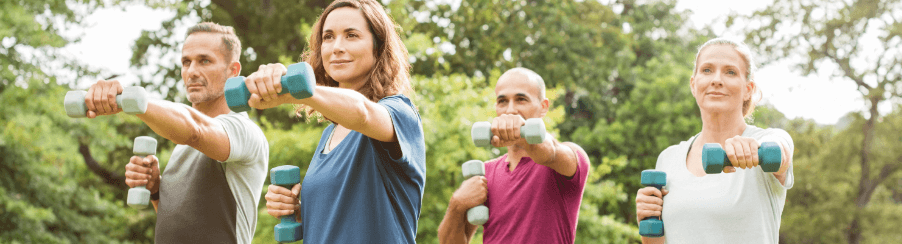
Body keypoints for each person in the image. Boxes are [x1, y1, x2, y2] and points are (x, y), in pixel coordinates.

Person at [249, 0, 426, 243]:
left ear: (378, 47)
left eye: (351, 35)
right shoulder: (329, 135)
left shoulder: (399, 113)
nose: (336, 47)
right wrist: (300, 210)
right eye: (328, 37)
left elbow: (362, 112)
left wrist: (295, 91)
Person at [84, 22, 269, 243]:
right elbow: (177, 222)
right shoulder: (182, 144)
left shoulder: (243, 131)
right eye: (186, 62)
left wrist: (130, 101)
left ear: (233, 71)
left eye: (204, 61)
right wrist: (154, 189)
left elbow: (196, 130)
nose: (192, 72)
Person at [635, 37, 794, 244]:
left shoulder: (765, 143)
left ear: (748, 89)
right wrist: (646, 222)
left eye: (730, 72)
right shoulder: (668, 159)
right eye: (707, 70)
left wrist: (755, 149)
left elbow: (781, 150)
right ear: (694, 84)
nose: (716, 80)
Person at [437, 67, 591, 244]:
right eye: (502, 101)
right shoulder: (485, 173)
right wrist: (457, 204)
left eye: (521, 100)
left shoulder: (571, 159)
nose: (510, 110)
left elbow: (549, 152)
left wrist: (521, 133)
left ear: (543, 107)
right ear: (496, 108)